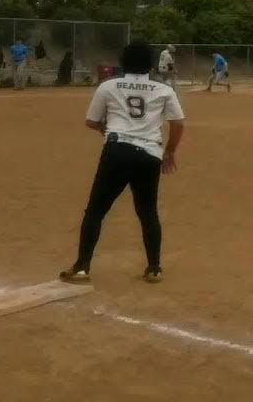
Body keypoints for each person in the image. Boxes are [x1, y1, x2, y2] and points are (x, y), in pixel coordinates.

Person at [60, 41, 185, 285]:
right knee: (147, 212)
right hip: (149, 153)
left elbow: (91, 121)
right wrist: (169, 151)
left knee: (96, 210)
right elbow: (178, 123)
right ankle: (154, 268)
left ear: (123, 62)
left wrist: (107, 130)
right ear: (150, 64)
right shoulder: (163, 89)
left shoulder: (108, 86)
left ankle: (82, 267)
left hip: (117, 151)